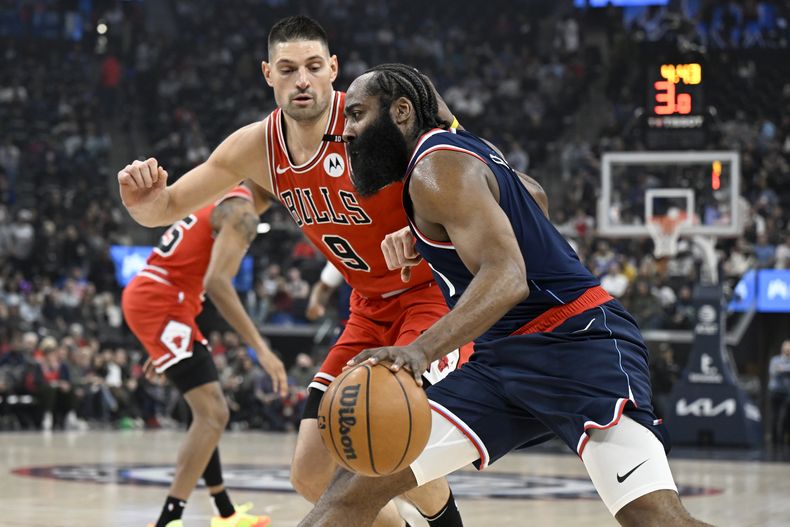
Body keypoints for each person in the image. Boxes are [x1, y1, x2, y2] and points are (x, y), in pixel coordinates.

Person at [296, 64, 712, 527]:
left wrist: (417, 351)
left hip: (578, 344)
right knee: (354, 485)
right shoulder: (462, 151)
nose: (347, 132)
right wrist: (433, 237)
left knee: (654, 519)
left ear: (401, 112)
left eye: (356, 115)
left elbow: (508, 277)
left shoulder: (435, 167)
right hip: (501, 362)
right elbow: (533, 196)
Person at [117, 16, 468, 527]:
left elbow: (472, 170)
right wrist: (140, 201)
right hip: (368, 308)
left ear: (333, 69)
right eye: (287, 69)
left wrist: (426, 229)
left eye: (311, 67)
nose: (301, 79)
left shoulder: (379, 119)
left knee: (390, 424)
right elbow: (165, 205)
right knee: (309, 473)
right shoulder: (256, 147)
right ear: (268, 74)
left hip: (433, 296)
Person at [122, 184, 286, 527]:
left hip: (168, 301)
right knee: (213, 413)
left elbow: (191, 268)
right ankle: (170, 519)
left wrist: (162, 344)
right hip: (164, 301)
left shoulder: (223, 196)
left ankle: (225, 512)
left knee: (207, 415)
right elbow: (217, 283)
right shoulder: (242, 212)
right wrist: (262, 349)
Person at [768, 339, 790, 445]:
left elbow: (783, 370)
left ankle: (782, 439)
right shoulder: (775, 360)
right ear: (782, 349)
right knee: (774, 416)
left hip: (786, 392)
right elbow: (773, 371)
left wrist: (783, 369)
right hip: (775, 391)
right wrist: (783, 370)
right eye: (786, 348)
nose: (787, 351)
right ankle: (774, 440)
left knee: (784, 416)